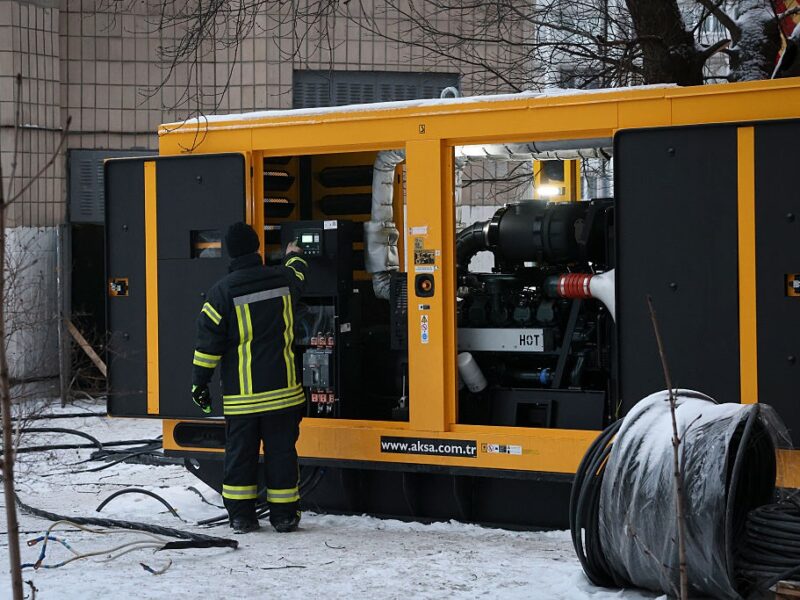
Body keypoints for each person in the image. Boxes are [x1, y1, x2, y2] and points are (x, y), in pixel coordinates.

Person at [191, 222, 308, 534]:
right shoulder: (282, 279)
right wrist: (294, 255)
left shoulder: (221, 293)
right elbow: (297, 274)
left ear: (230, 251)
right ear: (257, 247)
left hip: (243, 399)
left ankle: (242, 517)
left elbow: (207, 347)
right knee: (282, 455)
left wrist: (199, 384)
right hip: (284, 394)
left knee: (240, 457)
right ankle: (284, 517)